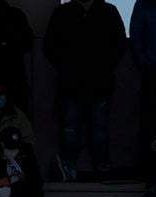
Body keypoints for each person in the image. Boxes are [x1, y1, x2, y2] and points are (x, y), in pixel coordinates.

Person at [43, 0, 126, 180]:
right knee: (73, 129)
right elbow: (50, 46)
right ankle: (71, 167)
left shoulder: (108, 11)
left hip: (94, 82)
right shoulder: (63, 12)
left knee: (94, 129)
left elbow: (119, 44)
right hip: (75, 83)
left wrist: (102, 66)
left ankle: (98, 166)